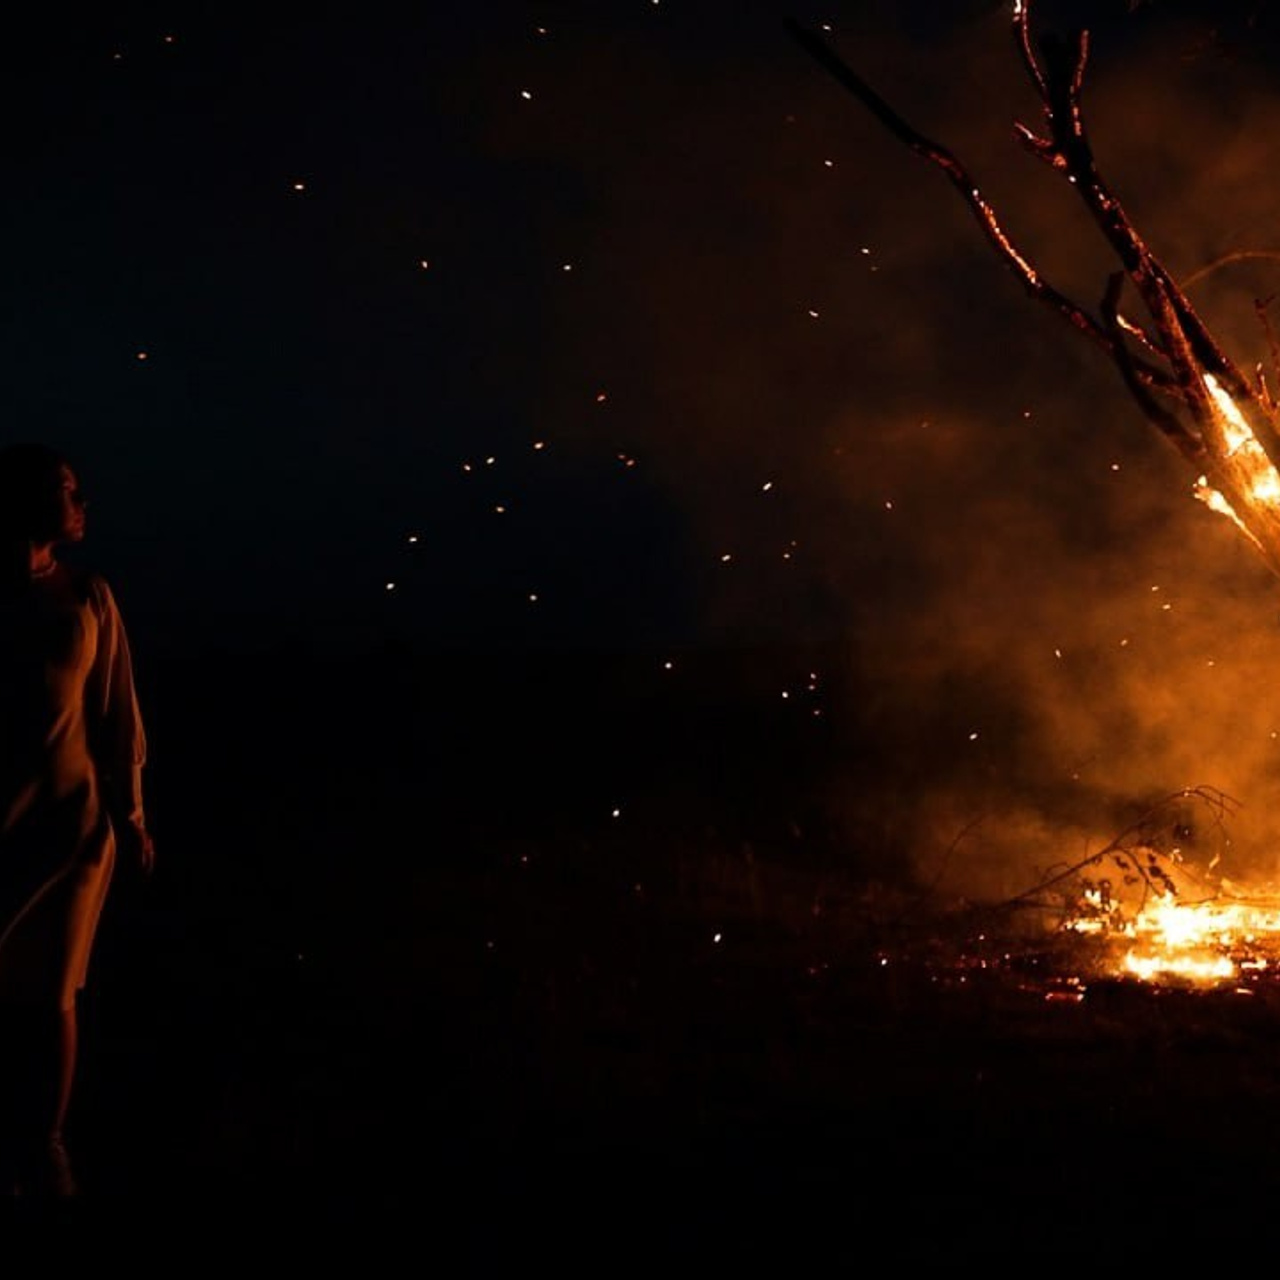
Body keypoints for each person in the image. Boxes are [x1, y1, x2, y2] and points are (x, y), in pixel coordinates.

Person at [0, 441, 155, 1197]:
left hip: (72, 828)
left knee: (53, 990)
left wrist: (130, 813)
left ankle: (46, 1143)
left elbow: (117, 711)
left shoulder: (87, 594)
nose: (79, 501)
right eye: (64, 489)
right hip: (6, 819)